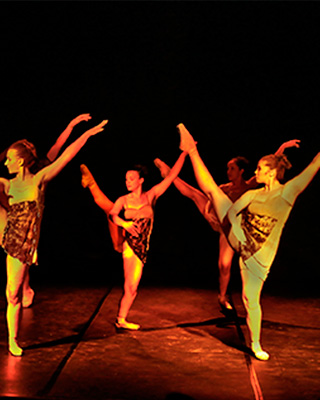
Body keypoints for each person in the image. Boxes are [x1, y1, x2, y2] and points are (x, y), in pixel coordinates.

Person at [0, 114, 107, 356]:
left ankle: (16, 329)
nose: (6, 163)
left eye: (9, 160)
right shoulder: (7, 184)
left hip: (23, 244)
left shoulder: (39, 180)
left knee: (12, 293)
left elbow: (66, 154)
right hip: (6, 230)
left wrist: (86, 134)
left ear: (21, 162)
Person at [177, 123, 320, 360]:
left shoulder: (288, 192)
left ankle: (256, 343)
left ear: (271, 172)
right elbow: (233, 212)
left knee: (250, 299)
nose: (256, 171)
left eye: (260, 168)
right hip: (241, 238)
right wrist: (237, 232)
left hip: (260, 257)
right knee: (213, 190)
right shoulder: (253, 194)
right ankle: (191, 148)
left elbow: (315, 165)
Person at [153, 140, 300, 312]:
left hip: (235, 230)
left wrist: (282, 147)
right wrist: (207, 212)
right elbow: (211, 197)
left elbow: (270, 166)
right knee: (195, 194)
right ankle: (169, 174)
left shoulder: (249, 185)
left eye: (232, 168)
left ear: (241, 171)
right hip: (222, 224)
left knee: (224, 265)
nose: (228, 172)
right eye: (228, 168)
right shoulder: (224, 188)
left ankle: (222, 297)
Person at [81, 141, 187, 331]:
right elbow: (113, 215)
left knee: (132, 288)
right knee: (130, 287)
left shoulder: (151, 195)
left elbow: (171, 176)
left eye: (131, 179)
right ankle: (121, 319)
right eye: (126, 179)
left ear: (141, 180)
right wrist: (125, 223)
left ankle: (121, 319)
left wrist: (185, 153)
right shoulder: (123, 199)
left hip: (142, 245)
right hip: (128, 244)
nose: (127, 182)